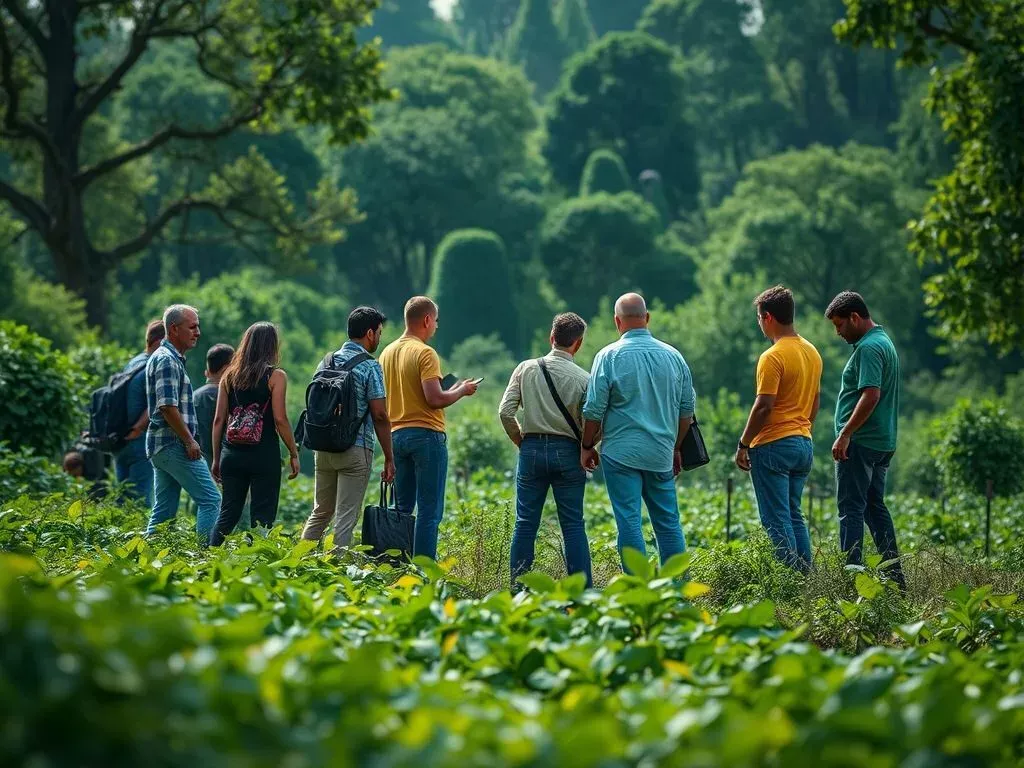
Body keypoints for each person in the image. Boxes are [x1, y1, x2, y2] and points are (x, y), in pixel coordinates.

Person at [581, 293, 694, 570]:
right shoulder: (674, 356)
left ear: (617, 322)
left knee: (629, 522)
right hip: (660, 454)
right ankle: (677, 590)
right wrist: (676, 447)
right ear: (647, 318)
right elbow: (686, 413)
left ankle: (637, 587)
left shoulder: (607, 356)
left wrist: (586, 446)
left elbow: (594, 409)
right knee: (668, 523)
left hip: (621, 454)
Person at [379, 296, 478, 560]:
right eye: (435, 320)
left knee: (401, 506)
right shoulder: (425, 353)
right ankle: (424, 571)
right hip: (425, 436)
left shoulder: (386, 353)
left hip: (395, 435)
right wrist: (461, 390)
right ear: (426, 320)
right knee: (429, 511)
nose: (436, 326)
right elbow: (434, 399)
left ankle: (395, 563)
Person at [499, 312, 593, 589]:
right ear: (578, 344)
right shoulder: (584, 379)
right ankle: (581, 593)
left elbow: (505, 412)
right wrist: (588, 447)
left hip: (531, 449)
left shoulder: (526, 368)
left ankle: (518, 590)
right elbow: (590, 423)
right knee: (573, 525)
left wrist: (521, 441)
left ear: (551, 338)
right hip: (569, 452)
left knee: (525, 523)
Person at [733, 286, 822, 573]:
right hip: (803, 442)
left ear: (767, 317)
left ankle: (789, 582)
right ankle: (806, 578)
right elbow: (815, 402)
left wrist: (744, 443)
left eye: (759, 318)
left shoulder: (772, 356)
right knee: (794, 515)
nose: (759, 323)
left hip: (773, 445)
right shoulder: (811, 352)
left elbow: (763, 406)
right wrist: (801, 429)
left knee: (776, 518)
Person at [826, 291, 906, 590]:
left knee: (851, 509)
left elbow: (871, 395)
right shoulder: (884, 341)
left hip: (861, 443)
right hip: (882, 441)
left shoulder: (869, 349)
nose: (838, 332)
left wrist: (845, 433)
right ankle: (895, 578)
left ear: (855, 318)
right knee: (874, 507)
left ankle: (851, 580)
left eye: (839, 325)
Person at [301, 307, 396, 551]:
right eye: (379, 332)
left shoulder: (326, 361)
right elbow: (380, 414)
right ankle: (337, 575)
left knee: (320, 512)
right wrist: (389, 457)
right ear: (369, 333)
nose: (379, 337)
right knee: (345, 517)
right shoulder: (370, 366)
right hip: (355, 449)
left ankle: (296, 566)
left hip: (322, 448)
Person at [209, 323, 300, 546]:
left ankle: (208, 559)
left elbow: (219, 420)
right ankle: (255, 564)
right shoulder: (276, 376)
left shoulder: (228, 376)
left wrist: (216, 458)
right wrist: (293, 452)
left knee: (228, 513)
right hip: (263, 455)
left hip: (232, 454)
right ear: (272, 346)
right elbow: (280, 419)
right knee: (262, 517)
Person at [144, 304, 221, 541]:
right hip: (172, 443)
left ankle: (145, 558)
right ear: (174, 329)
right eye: (193, 327)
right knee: (211, 500)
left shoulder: (170, 358)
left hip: (161, 445)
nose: (198, 332)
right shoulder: (167, 360)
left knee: (164, 510)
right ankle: (203, 558)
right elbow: (167, 406)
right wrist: (189, 441)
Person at [113, 319, 165, 505]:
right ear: (160, 341)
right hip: (138, 439)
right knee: (140, 501)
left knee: (122, 498)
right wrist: (138, 428)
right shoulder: (154, 364)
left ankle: (117, 532)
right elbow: (159, 402)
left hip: (121, 439)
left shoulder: (134, 362)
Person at [193, 343, 235, 467]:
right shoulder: (230, 397)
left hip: (199, 464)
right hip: (226, 462)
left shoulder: (194, 396)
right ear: (226, 369)